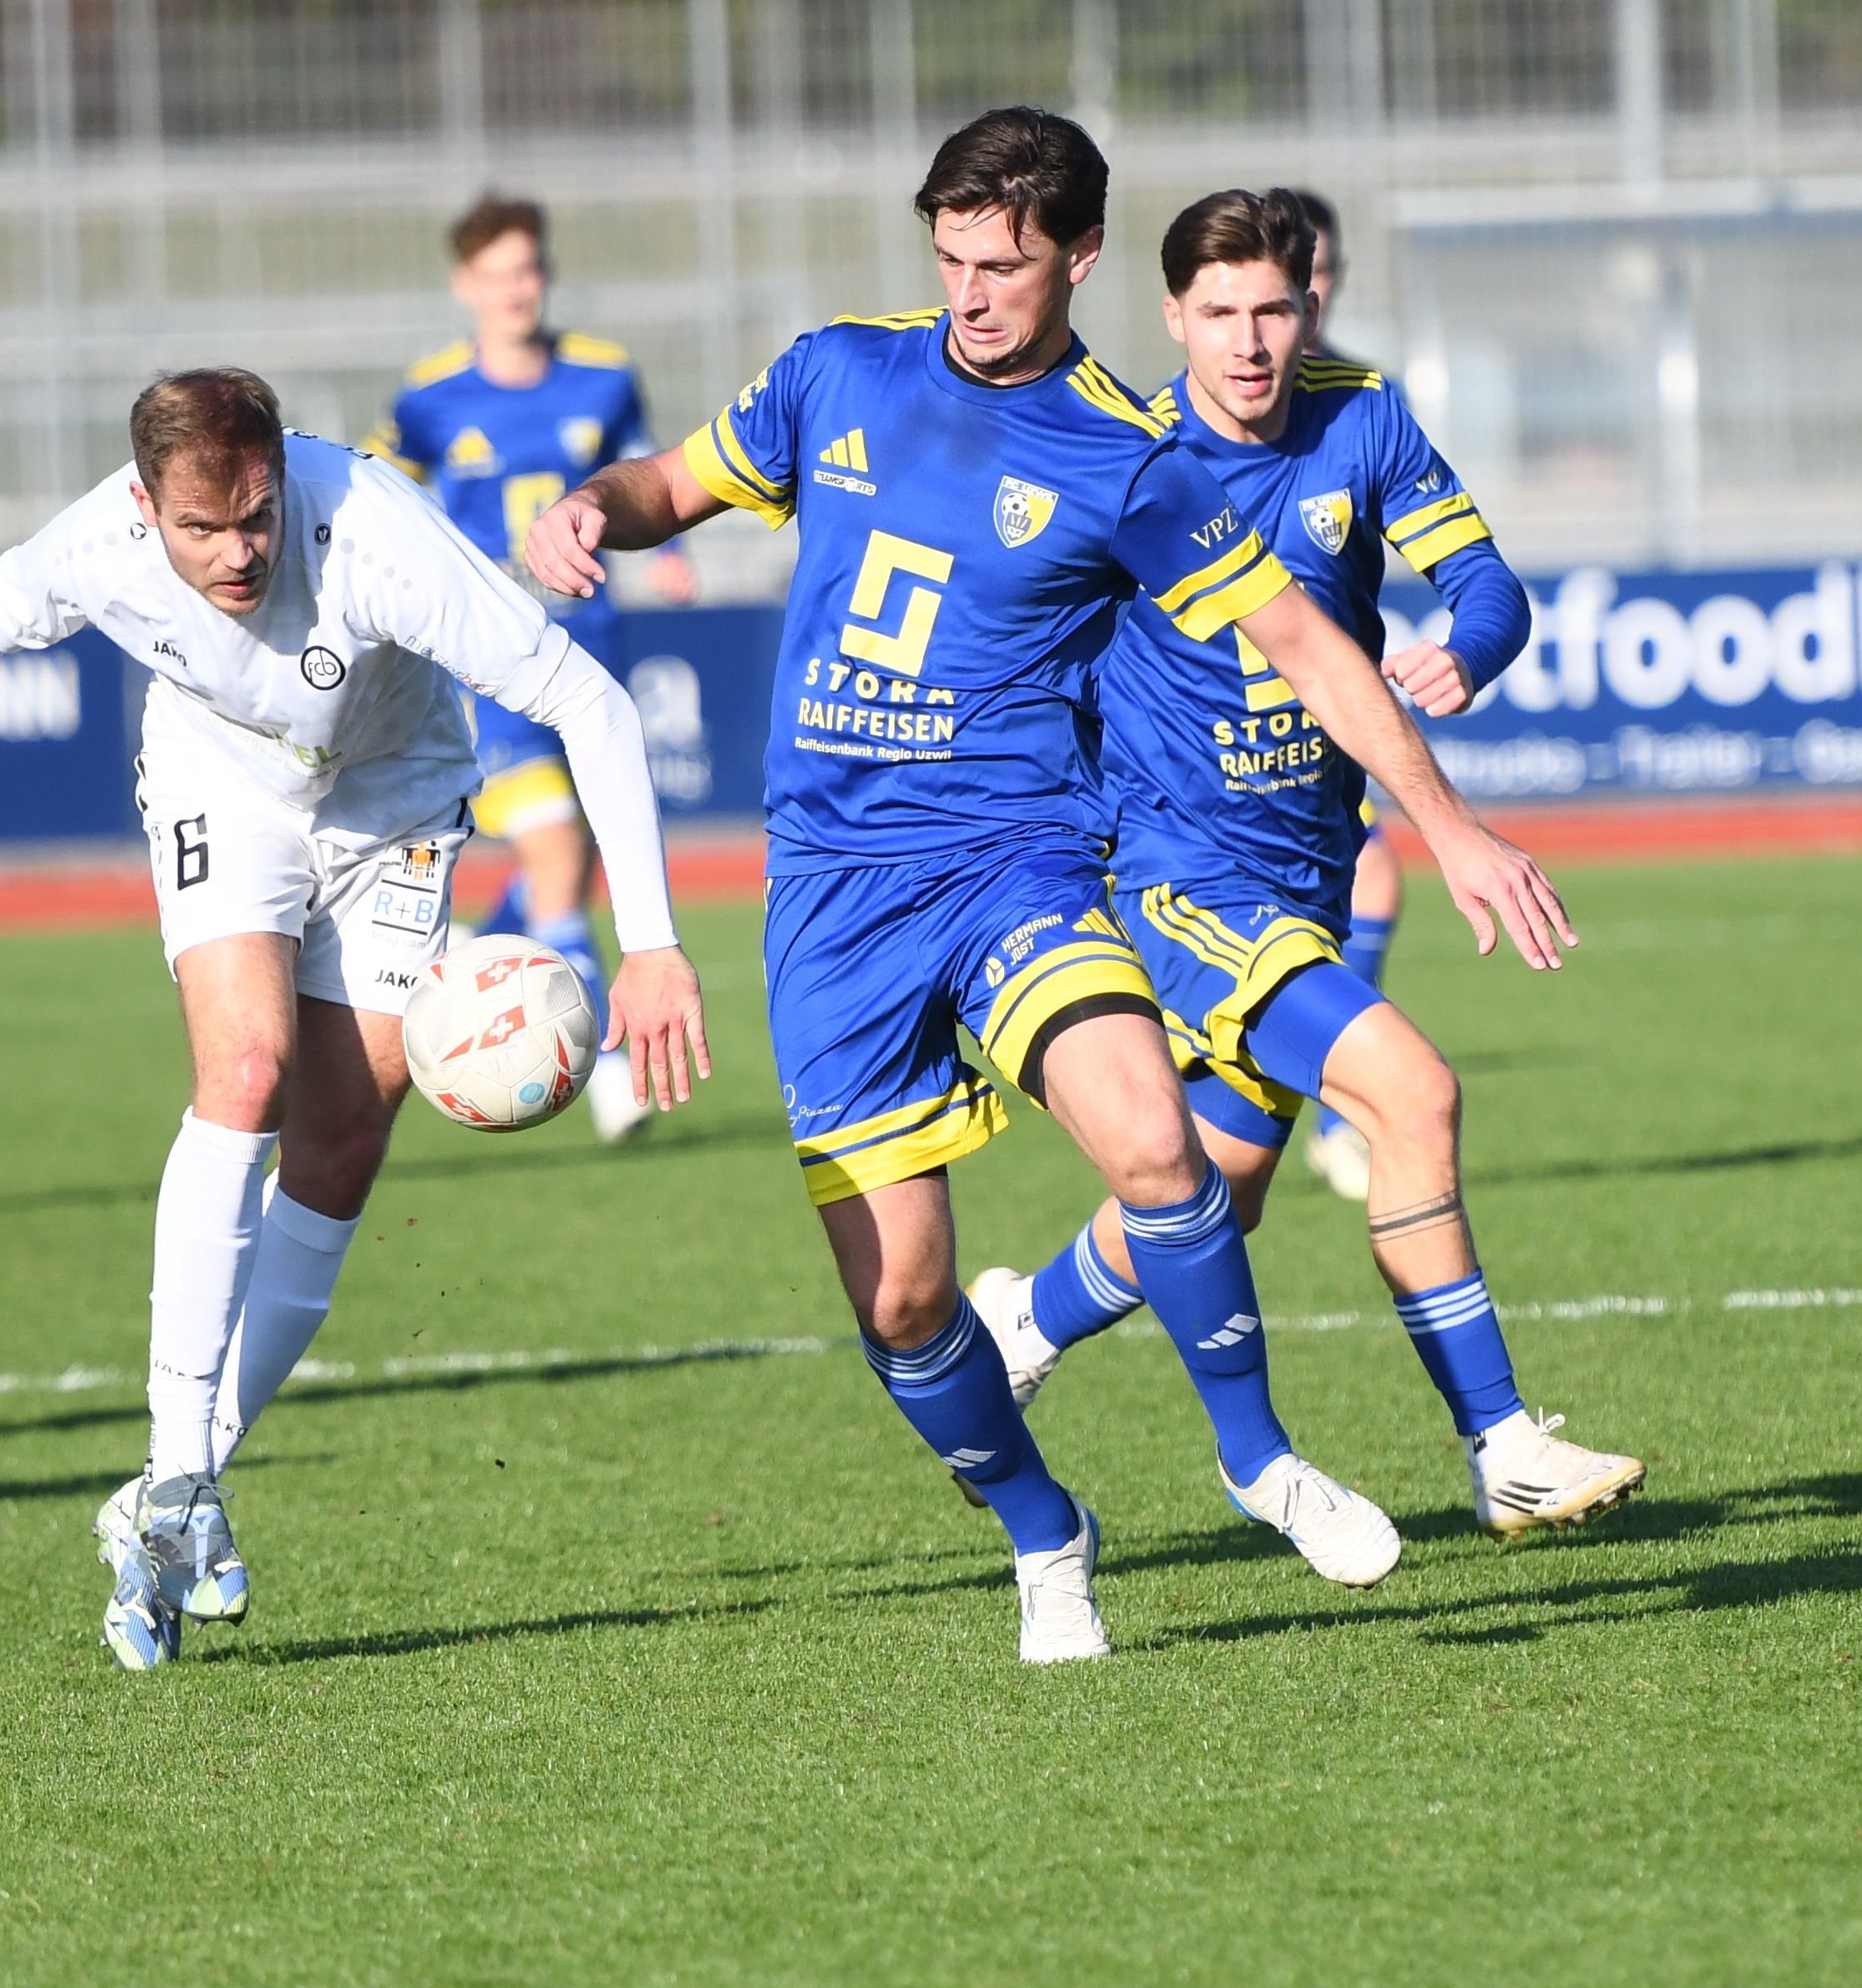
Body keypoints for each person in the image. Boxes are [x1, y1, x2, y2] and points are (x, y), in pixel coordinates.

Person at [530, 111, 1573, 1660]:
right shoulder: (835, 372)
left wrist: (1449, 821)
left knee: (1160, 1145)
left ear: (1079, 259)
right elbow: (667, 484)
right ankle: (1044, 1530)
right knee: (900, 1305)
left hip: (1017, 862)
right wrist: (585, 513)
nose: (967, 293)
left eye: (1002, 266)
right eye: (948, 259)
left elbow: (1312, 649)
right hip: (830, 897)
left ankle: (1258, 1462)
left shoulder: (1128, 460)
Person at [0, 369, 707, 1669]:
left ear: (280, 481)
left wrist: (652, 945)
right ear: (145, 506)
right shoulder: (99, 542)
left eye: (255, 518)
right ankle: (183, 1478)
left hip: (396, 801)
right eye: (203, 528)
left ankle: (163, 1496)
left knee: (340, 1149)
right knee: (246, 1065)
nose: (238, 553)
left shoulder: (376, 530)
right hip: (219, 784)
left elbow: (592, 701)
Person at [971, 188, 1645, 1540]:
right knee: (1413, 1093)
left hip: (1308, 872)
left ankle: (1018, 1323)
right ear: (1172, 318)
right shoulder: (1116, 454)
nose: (1249, 341)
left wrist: (1470, 644)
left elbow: (1490, 585)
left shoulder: (1364, 416)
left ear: (1311, 302)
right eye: (1218, 312)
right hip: (1169, 874)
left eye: (1274, 307)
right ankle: (1500, 1440)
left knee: (1216, 1192)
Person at [379, 194, 697, 1143]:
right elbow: (392, 516)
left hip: (590, 657)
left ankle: (480, 942)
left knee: (575, 864)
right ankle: (605, 1066)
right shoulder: (427, 398)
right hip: (487, 670)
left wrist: (670, 549)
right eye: (495, 273)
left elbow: (648, 476)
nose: (515, 288)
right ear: (463, 285)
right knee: (557, 849)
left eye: (528, 268)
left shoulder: (601, 378)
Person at [1288, 188, 1401, 1201]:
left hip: (1327, 722)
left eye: (1325, 277)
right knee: (1205, 1179)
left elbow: (1472, 568)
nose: (1310, 294)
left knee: (1375, 884)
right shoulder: (1175, 416)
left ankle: (1333, 1113)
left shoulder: (1370, 400)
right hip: (1216, 745)